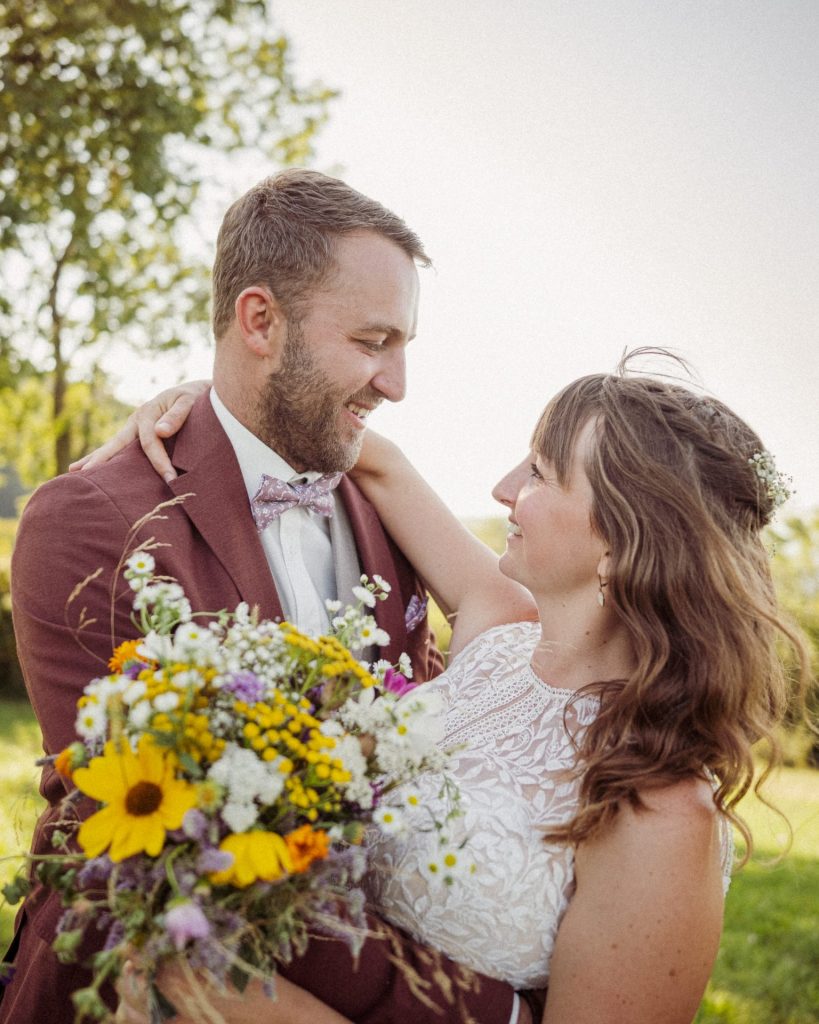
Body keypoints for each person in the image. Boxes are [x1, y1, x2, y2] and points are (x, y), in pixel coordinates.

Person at [111, 354, 810, 1023]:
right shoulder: (496, 637)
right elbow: (377, 462)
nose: (503, 488)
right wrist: (205, 403)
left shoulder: (657, 811)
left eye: (539, 472)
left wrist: (255, 1009)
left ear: (619, 544)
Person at [2, 170, 536, 1024]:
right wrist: (481, 1012)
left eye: (404, 346)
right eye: (372, 342)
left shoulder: (383, 502)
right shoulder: (94, 518)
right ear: (259, 320)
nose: (395, 384)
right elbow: (176, 862)